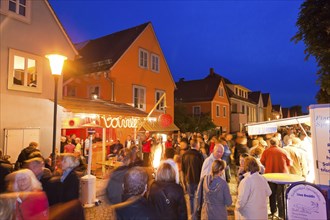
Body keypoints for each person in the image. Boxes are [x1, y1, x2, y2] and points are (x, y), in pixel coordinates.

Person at [260, 138, 292, 219]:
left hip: (270, 176)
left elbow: (262, 161)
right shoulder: (283, 151)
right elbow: (290, 163)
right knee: (281, 195)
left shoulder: (266, 151)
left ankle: (273, 212)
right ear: (278, 143)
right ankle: (282, 214)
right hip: (282, 176)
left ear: (270, 143)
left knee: (272, 194)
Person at [181, 139, 204, 217]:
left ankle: (192, 214)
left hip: (188, 179)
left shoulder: (184, 155)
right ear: (197, 145)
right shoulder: (199, 155)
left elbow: (183, 169)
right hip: (198, 179)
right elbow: (202, 168)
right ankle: (197, 214)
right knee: (198, 198)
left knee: (191, 197)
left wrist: (184, 180)